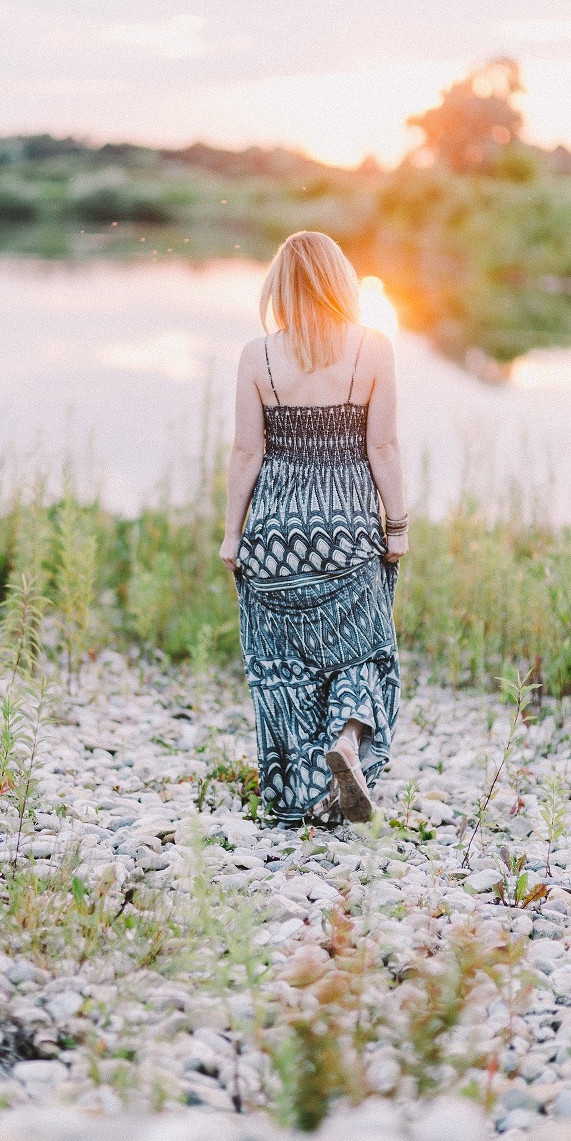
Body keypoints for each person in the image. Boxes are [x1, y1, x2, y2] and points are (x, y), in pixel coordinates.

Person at [219, 231, 408, 828]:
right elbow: (382, 444)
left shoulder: (258, 355)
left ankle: (294, 796)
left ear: (279, 286)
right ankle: (349, 742)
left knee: (282, 668)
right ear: (341, 283)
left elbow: (246, 453)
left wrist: (232, 535)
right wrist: (396, 525)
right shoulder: (373, 349)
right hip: (348, 532)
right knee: (364, 651)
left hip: (273, 536)